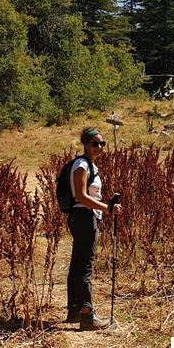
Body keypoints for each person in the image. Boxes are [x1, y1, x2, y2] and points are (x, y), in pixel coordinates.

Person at [66, 127, 122, 331]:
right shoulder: (81, 165)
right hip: (83, 217)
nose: (99, 147)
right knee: (85, 267)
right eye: (95, 143)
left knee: (77, 264)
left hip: (84, 217)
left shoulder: (89, 165)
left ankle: (74, 311)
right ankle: (87, 316)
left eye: (102, 144)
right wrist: (107, 208)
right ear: (85, 145)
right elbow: (80, 196)